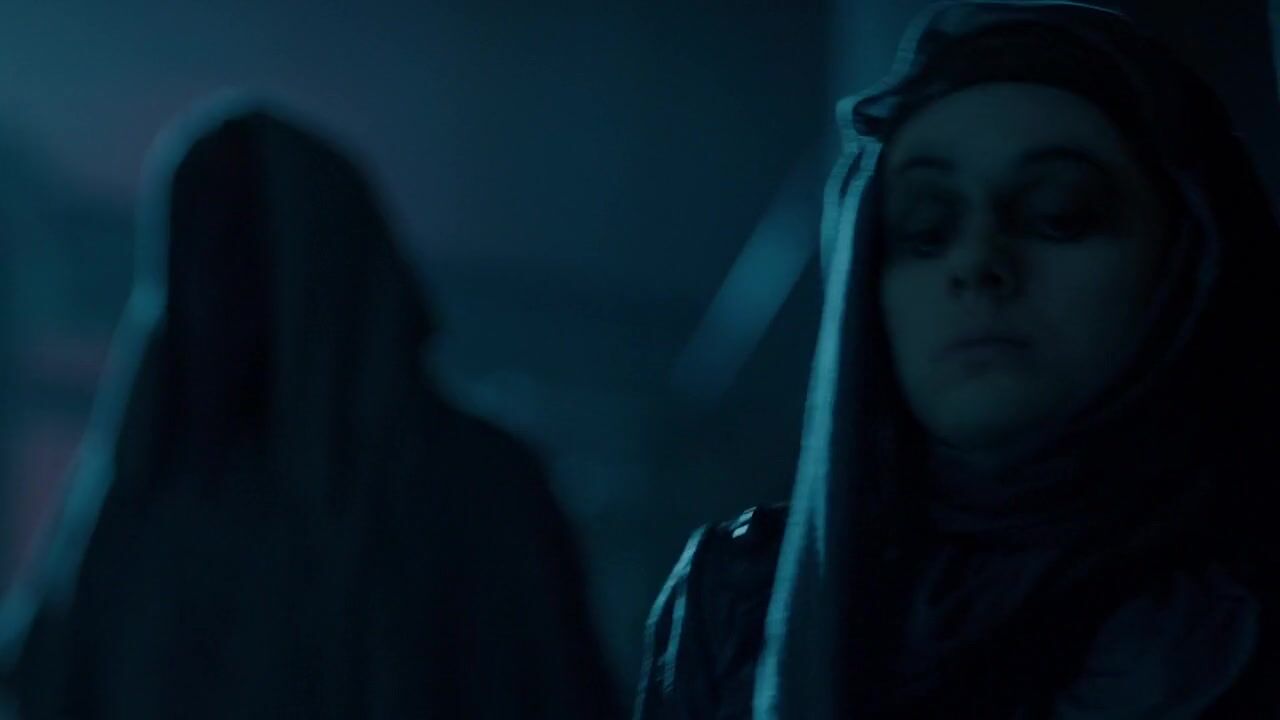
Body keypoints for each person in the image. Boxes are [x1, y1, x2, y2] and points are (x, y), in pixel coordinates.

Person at [635, 1, 1280, 717]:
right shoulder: (744, 602)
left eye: (1059, 213)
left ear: (1188, 265)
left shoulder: (1253, 600)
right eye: (924, 228)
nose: (976, 262)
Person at [0, 96, 620, 719]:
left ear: (318, 263)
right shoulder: (143, 506)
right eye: (189, 254)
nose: (206, 293)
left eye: (235, 248)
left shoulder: (474, 494)